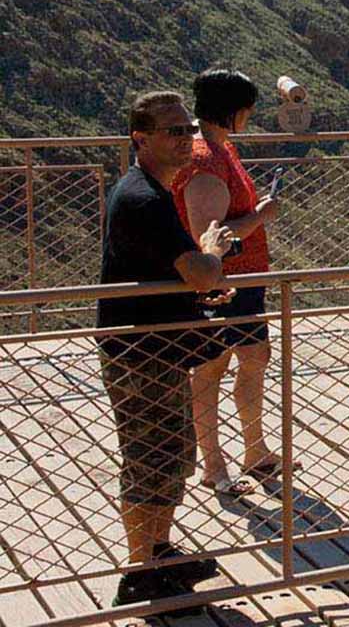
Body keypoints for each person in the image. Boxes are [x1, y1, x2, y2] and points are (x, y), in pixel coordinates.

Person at [97, 91, 235, 609]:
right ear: (142, 138)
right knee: (149, 458)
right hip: (140, 352)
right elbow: (198, 268)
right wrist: (212, 257)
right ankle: (140, 571)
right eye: (172, 131)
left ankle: (159, 552)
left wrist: (199, 285)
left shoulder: (152, 191)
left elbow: (168, 272)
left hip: (155, 346)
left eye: (187, 130)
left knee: (171, 455)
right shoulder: (144, 198)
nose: (184, 139)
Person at [173, 68, 283, 497]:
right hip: (222, 283)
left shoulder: (222, 148)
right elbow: (209, 236)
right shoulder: (204, 160)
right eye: (248, 110)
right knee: (212, 367)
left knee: (255, 356)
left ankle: (254, 450)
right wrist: (261, 216)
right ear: (234, 111)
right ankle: (213, 464)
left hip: (246, 280)